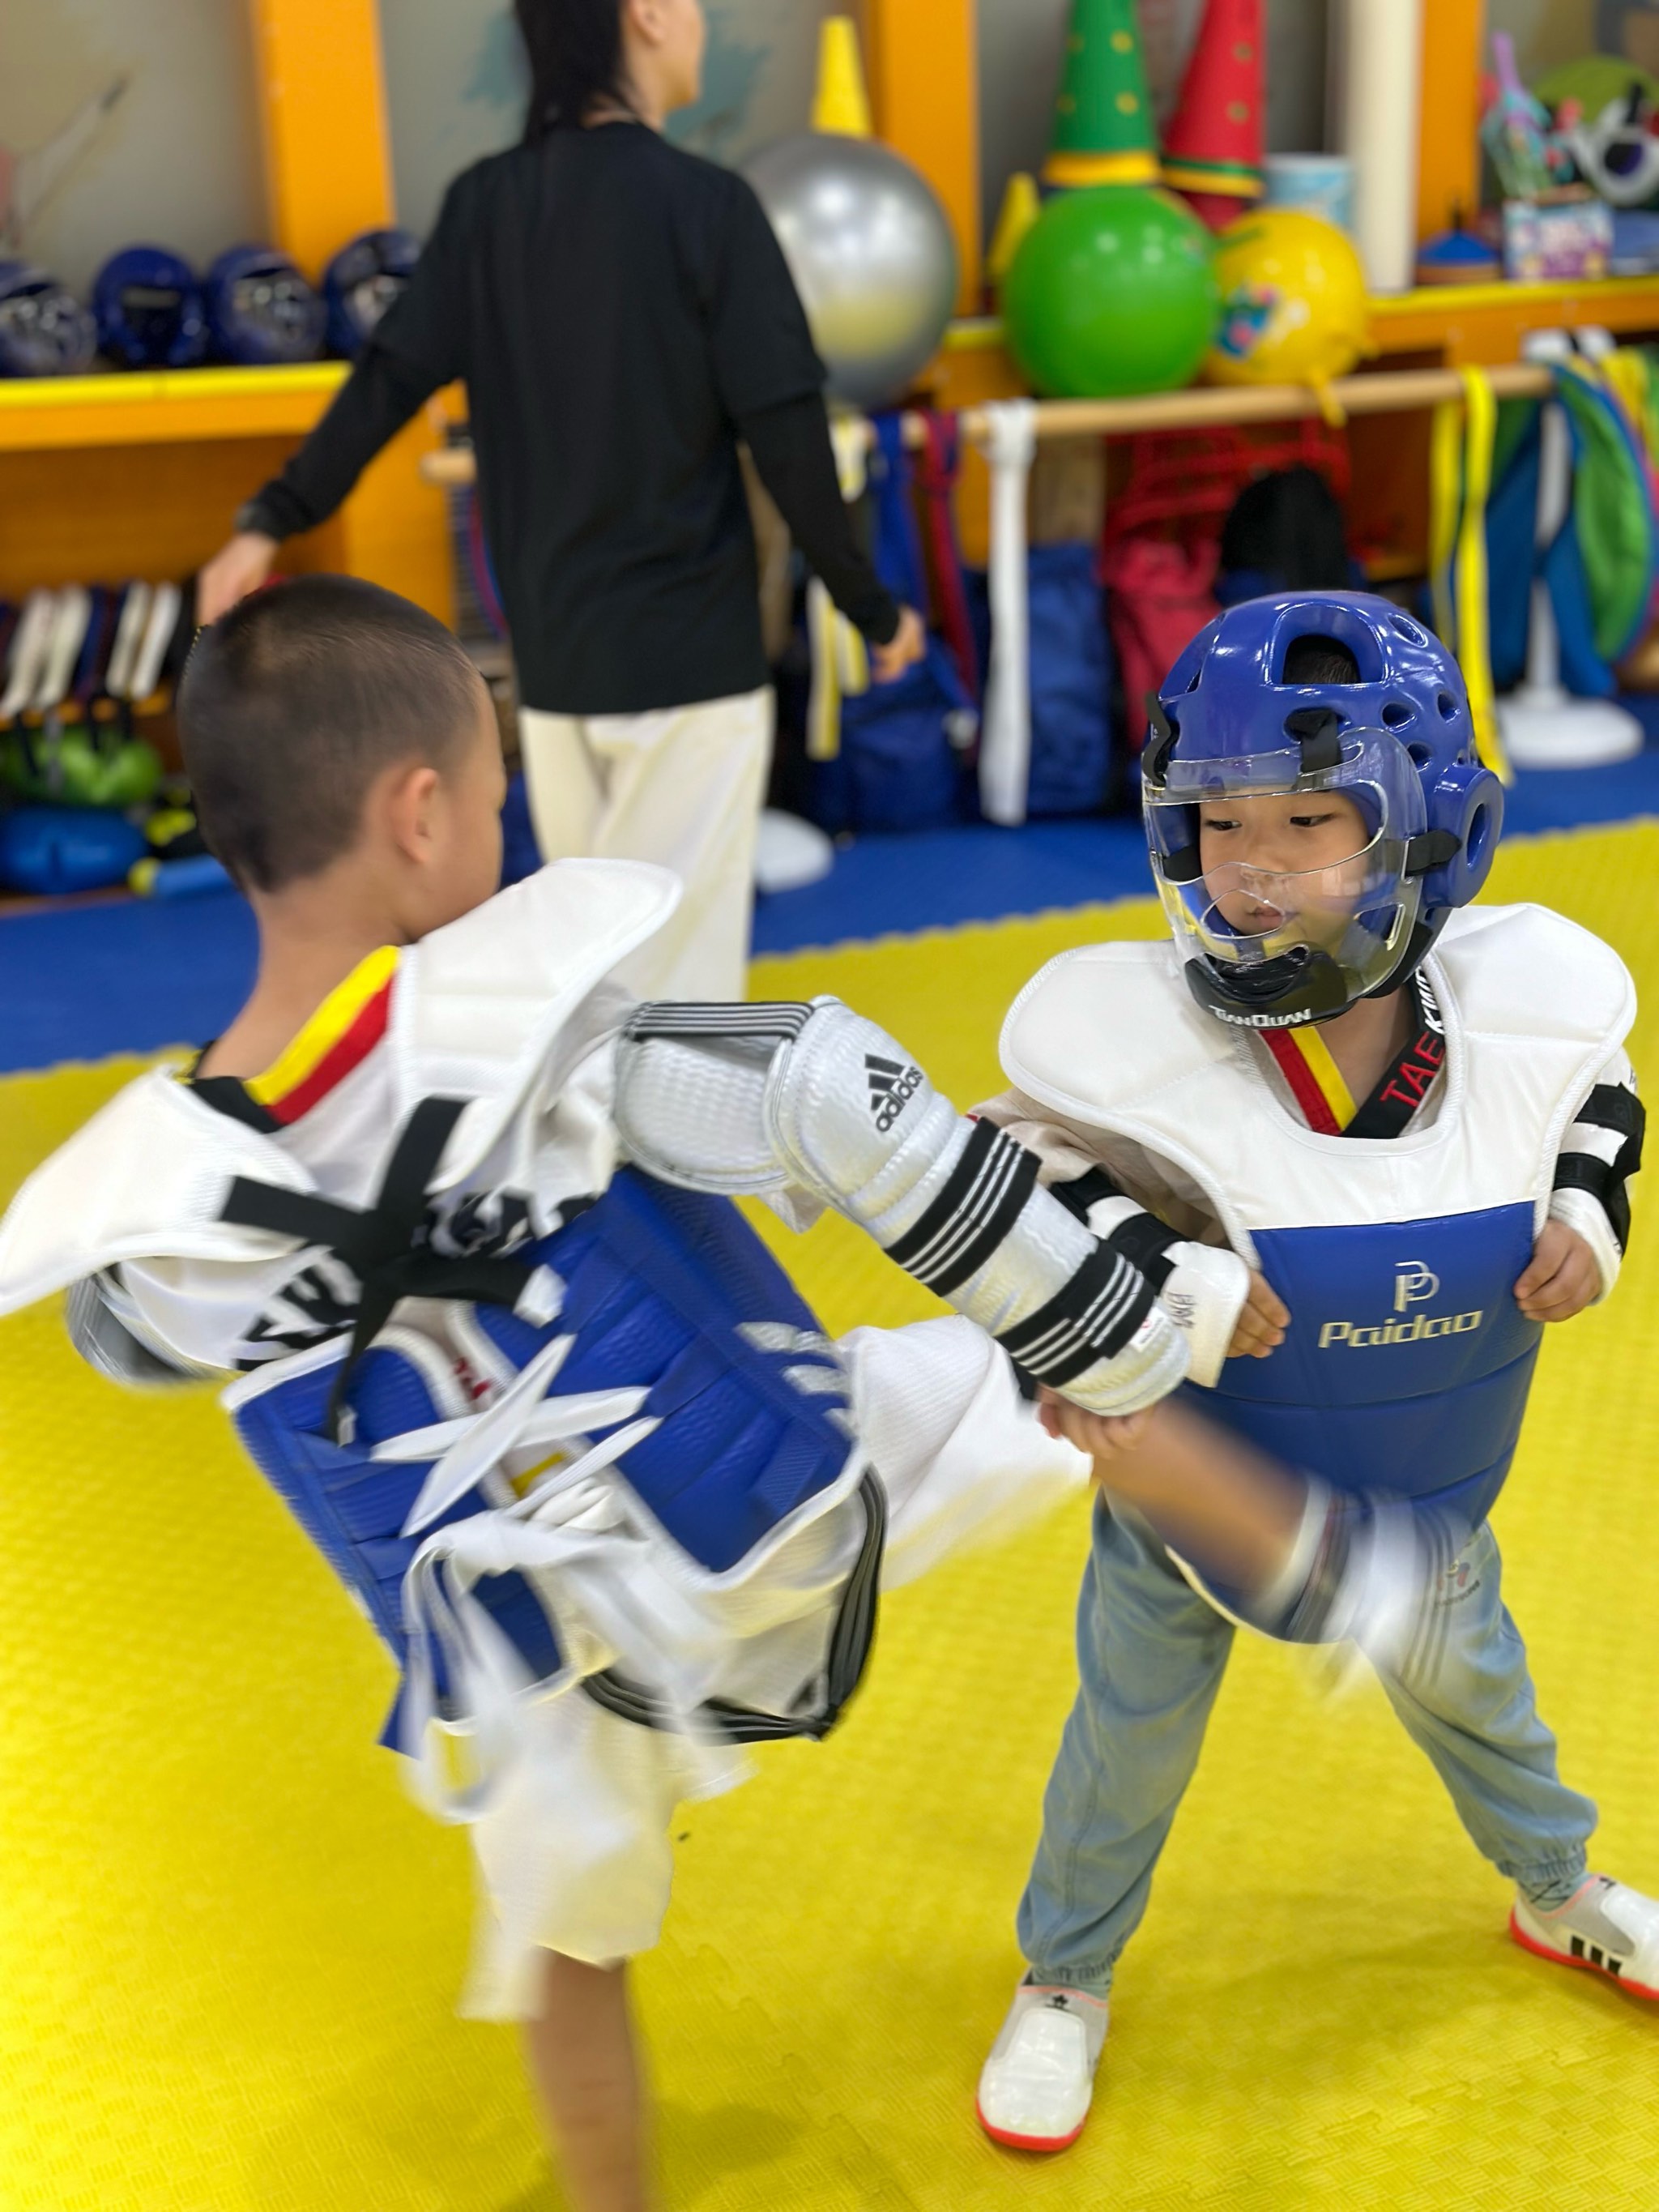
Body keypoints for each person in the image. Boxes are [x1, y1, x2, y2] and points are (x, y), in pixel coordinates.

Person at [0, 578, 1451, 2212]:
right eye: (491, 796)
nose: (503, 830)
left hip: (531, 1690)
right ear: (418, 817)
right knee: (1048, 1382)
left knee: (570, 1951)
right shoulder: (526, 1027)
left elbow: (125, 1344)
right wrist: (1141, 1309)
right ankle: (1339, 1566)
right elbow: (849, 1119)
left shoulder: (165, 1220)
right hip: (770, 1511)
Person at [972, 591, 1656, 2156]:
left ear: (1433, 835)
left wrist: (1583, 1221)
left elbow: (1594, 1100)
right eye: (1216, 824)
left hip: (1423, 1504)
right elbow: (1022, 1178)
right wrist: (1171, 1280)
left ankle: (1558, 1895)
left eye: (1305, 818)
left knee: (1489, 1712)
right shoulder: (1128, 1053)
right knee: (1122, 1750)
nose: (1255, 865)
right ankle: (1064, 1977)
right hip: (1183, 1508)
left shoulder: (1513, 1021)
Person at [195, 0, 926, 1003]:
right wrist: (870, 609)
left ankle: (583, 1146)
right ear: (650, 16)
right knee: (673, 983)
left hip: (556, 665)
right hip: (690, 668)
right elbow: (787, 437)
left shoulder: (486, 204)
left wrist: (269, 519)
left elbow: (387, 381)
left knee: (590, 961)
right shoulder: (706, 206)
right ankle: (634, 1156)